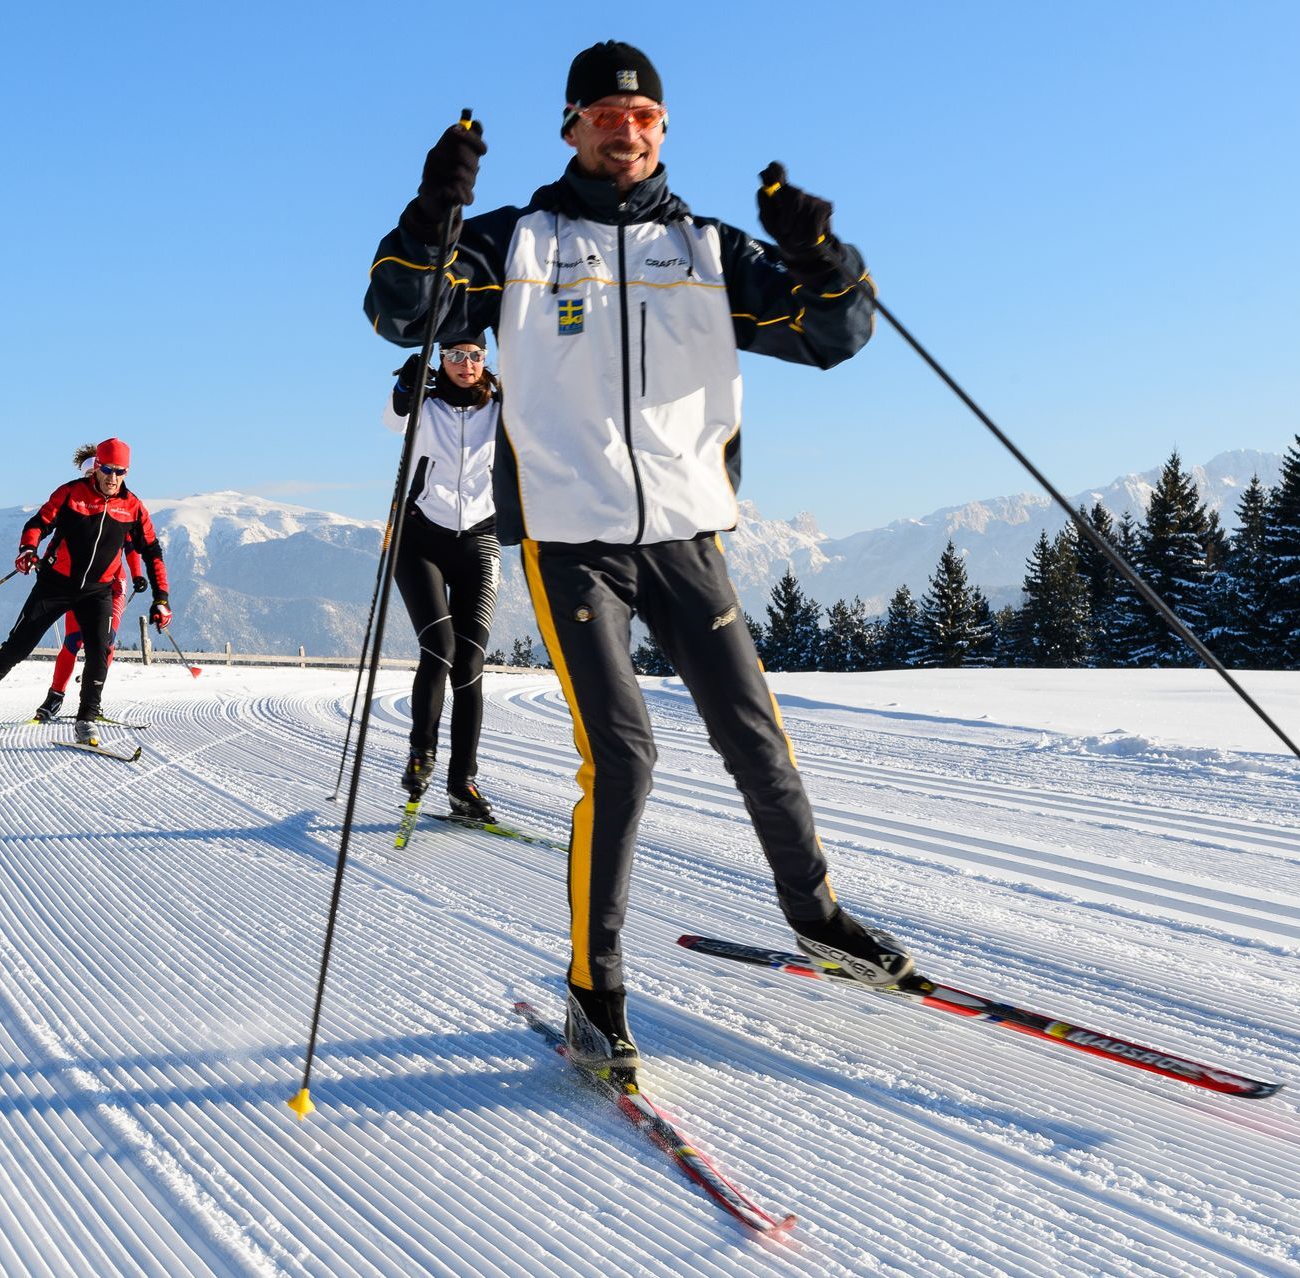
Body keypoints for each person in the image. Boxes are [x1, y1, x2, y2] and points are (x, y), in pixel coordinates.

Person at [365, 41, 912, 1082]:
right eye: (609, 116)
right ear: (572, 126)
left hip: (686, 538)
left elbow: (836, 334)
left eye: (647, 116)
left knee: (757, 739)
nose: (629, 131)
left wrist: (821, 250)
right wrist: (432, 209)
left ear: (664, 130)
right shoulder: (513, 243)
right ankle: (594, 992)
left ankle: (819, 917)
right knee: (623, 759)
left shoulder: (710, 250)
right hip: (575, 548)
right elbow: (402, 312)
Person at [0, 437, 171, 746]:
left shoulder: (132, 507)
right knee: (16, 648)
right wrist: (27, 549)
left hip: (98, 592)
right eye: (108, 470)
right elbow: (38, 523)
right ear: (97, 467)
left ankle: (86, 718)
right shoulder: (71, 494)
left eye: (121, 471)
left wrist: (161, 598)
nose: (113, 478)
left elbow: (152, 551)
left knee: (101, 651)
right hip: (55, 586)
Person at [384, 338, 503, 820]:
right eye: (456, 356)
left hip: (480, 539)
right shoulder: (425, 407)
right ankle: (421, 754)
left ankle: (463, 784)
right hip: (419, 539)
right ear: (441, 360)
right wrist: (406, 384)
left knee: (470, 661)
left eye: (475, 356)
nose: (466, 365)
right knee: (440, 651)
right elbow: (392, 418)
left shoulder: (501, 408)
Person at [31, 537, 147, 724]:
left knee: (105, 643)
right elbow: (60, 538)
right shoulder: (80, 511)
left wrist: (137, 575)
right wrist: (46, 563)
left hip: (113, 587)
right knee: (73, 641)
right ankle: (55, 698)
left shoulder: (120, 512)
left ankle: (93, 701)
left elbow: (131, 545)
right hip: (81, 585)